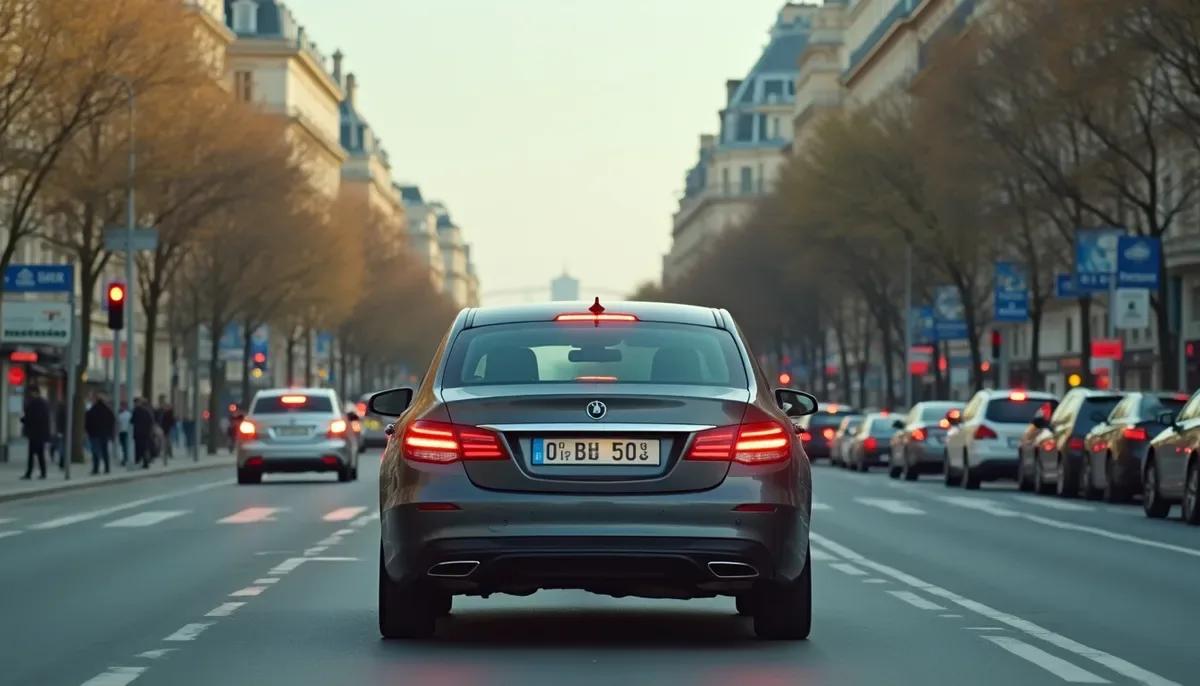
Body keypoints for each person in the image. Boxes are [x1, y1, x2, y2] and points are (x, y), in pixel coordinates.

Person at [20, 386, 51, 480]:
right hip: (39, 433)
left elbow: (33, 417)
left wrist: (24, 419)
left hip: (35, 433)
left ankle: (31, 473)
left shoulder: (36, 403)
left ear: (35, 392)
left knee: (34, 454)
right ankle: (41, 472)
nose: (30, 394)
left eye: (31, 392)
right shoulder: (42, 403)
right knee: (38, 454)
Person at [85, 393, 116, 475]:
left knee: (95, 452)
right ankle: (107, 468)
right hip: (104, 434)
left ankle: (96, 468)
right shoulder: (108, 411)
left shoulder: (91, 411)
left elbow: (87, 423)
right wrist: (110, 433)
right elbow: (112, 422)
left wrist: (89, 432)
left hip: (94, 434)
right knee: (105, 451)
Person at [130, 397, 155, 469]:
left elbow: (132, 421)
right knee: (144, 448)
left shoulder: (136, 411)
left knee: (138, 448)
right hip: (145, 433)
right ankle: (145, 462)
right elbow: (150, 421)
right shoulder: (146, 411)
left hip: (138, 433)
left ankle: (139, 461)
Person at [117, 402, 131, 466]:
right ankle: (125, 458)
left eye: (122, 406)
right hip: (122, 432)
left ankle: (125, 459)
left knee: (124, 447)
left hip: (125, 432)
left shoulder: (126, 414)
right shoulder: (122, 414)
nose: (121, 407)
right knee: (123, 447)